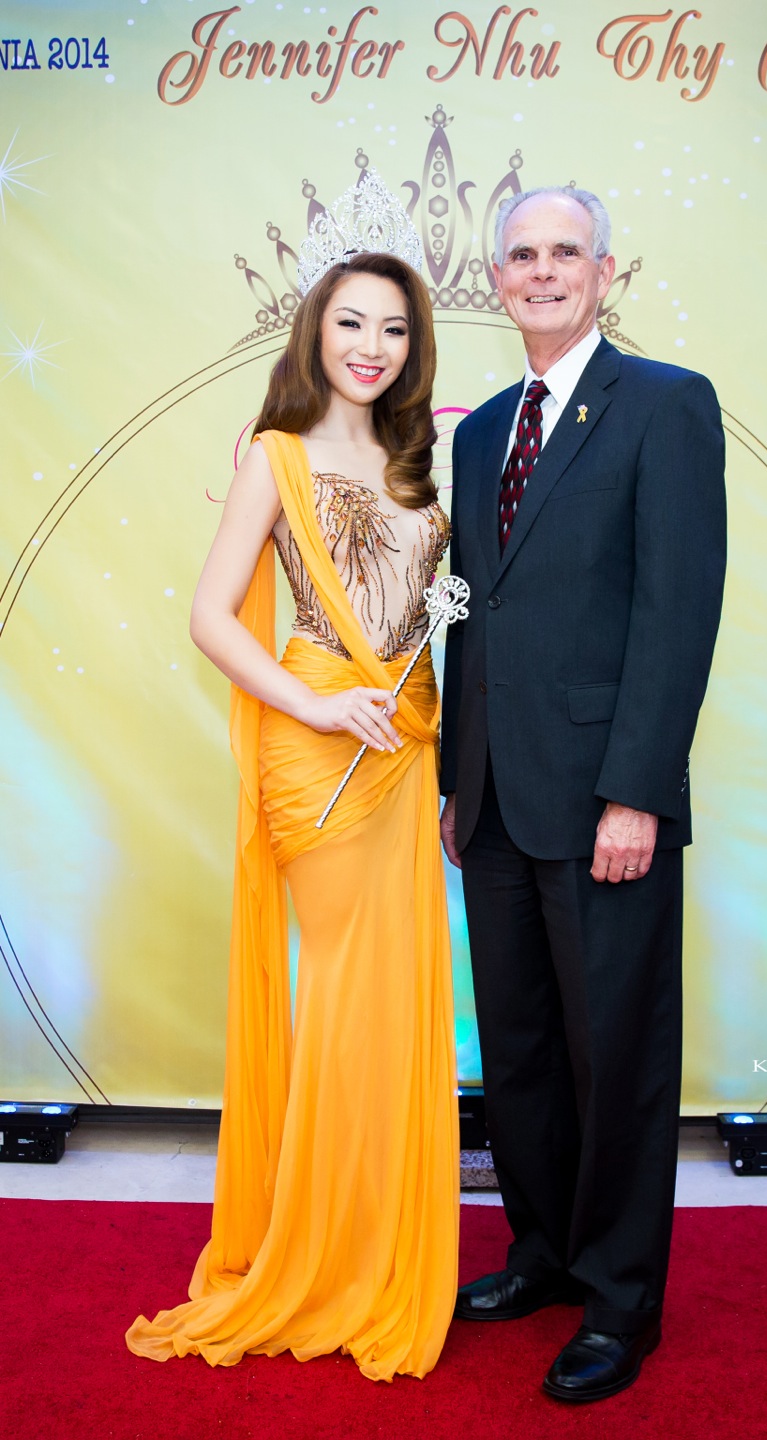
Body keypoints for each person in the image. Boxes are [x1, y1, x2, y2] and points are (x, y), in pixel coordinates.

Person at [126, 174, 459, 1382]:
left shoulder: (425, 461)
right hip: (315, 746)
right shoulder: (272, 454)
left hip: (405, 746)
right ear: (315, 328)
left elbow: (433, 614)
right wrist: (318, 700)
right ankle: (320, 1254)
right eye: (351, 323)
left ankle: (375, 1242)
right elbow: (214, 618)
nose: (371, 346)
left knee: (393, 1014)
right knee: (347, 1005)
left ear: (413, 345)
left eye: (395, 328)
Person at [440, 186, 726, 1403]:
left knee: (616, 1051)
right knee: (521, 1052)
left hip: (605, 797)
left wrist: (637, 794)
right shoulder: (480, 427)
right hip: (495, 797)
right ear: (495, 278)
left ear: (605, 271)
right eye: (521, 255)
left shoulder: (666, 404)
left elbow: (678, 611)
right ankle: (545, 1253)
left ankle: (621, 1300)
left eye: (565, 252)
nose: (542, 272)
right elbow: (480, 616)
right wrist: (459, 776)